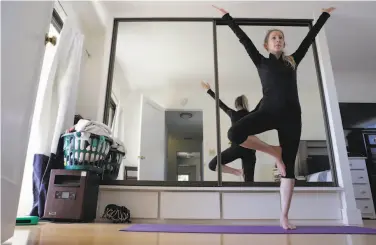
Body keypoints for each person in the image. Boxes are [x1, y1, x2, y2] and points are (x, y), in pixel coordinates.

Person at [212, 5, 335, 229]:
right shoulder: (261, 61)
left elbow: (310, 37)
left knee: (288, 169)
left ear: (284, 44)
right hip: (267, 112)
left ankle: (284, 216)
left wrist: (324, 15)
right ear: (267, 44)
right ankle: (273, 152)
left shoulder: (292, 61)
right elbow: (244, 40)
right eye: (274, 37)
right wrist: (227, 17)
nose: (278, 40)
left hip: (291, 116)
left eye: (281, 38)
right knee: (234, 132)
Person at [201, 81, 257, 182]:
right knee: (249, 182)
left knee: (212, 165)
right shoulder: (253, 115)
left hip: (236, 148)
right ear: (246, 104)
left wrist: (209, 90)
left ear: (236, 105)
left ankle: (238, 172)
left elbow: (220, 104)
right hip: (250, 150)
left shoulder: (233, 114)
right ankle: (241, 174)